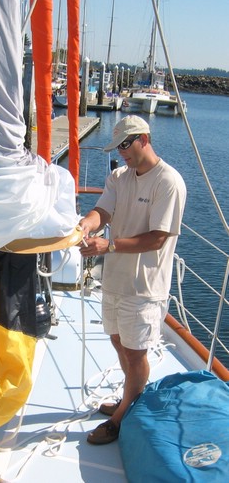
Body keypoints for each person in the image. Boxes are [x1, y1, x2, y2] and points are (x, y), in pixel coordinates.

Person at [78, 115, 186, 445]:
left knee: (135, 352)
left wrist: (108, 245)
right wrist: (86, 224)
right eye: (117, 147)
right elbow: (103, 212)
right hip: (114, 279)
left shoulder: (168, 182)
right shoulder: (118, 177)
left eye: (125, 145)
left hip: (144, 287)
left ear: (144, 138)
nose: (121, 152)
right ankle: (130, 397)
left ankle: (122, 417)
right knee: (116, 339)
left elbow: (157, 238)